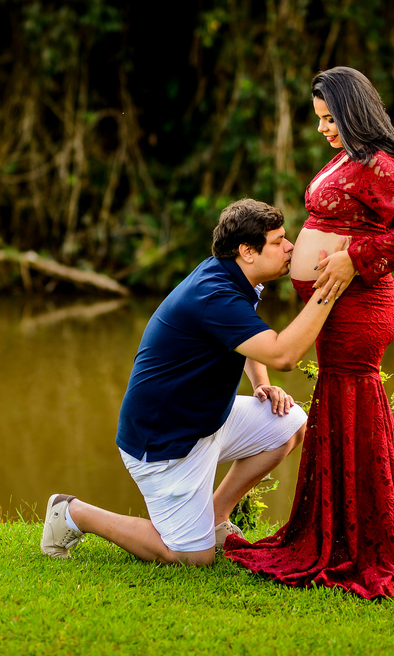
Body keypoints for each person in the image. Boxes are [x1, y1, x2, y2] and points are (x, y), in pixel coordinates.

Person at [223, 66, 394, 598]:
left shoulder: (378, 164)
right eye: (319, 119)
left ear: (352, 111)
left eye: (330, 118)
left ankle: (358, 536)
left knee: (349, 404)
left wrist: (354, 259)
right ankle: (369, 521)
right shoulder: (348, 157)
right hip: (340, 306)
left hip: (361, 305)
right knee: (349, 407)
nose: (323, 127)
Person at [40, 198, 353, 566]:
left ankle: (215, 518)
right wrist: (329, 288)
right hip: (163, 441)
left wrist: (259, 383)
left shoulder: (233, 277)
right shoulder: (214, 294)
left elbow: (247, 337)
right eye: (279, 240)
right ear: (247, 252)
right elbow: (284, 354)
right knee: (193, 558)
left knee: (289, 423)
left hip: (206, 420)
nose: (290, 247)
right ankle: (73, 512)